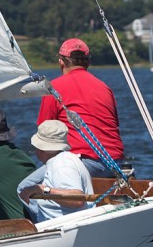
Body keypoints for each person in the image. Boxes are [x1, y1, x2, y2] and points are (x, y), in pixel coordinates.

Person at [38, 38, 124, 177]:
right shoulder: (104, 88)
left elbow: (45, 134)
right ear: (88, 62)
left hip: (80, 163)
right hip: (114, 163)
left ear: (61, 61)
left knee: (25, 188)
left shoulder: (53, 89)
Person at [18, 120, 93, 222]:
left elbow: (78, 199)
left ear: (41, 148)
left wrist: (42, 190)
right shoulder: (63, 160)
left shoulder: (61, 165)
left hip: (67, 227)